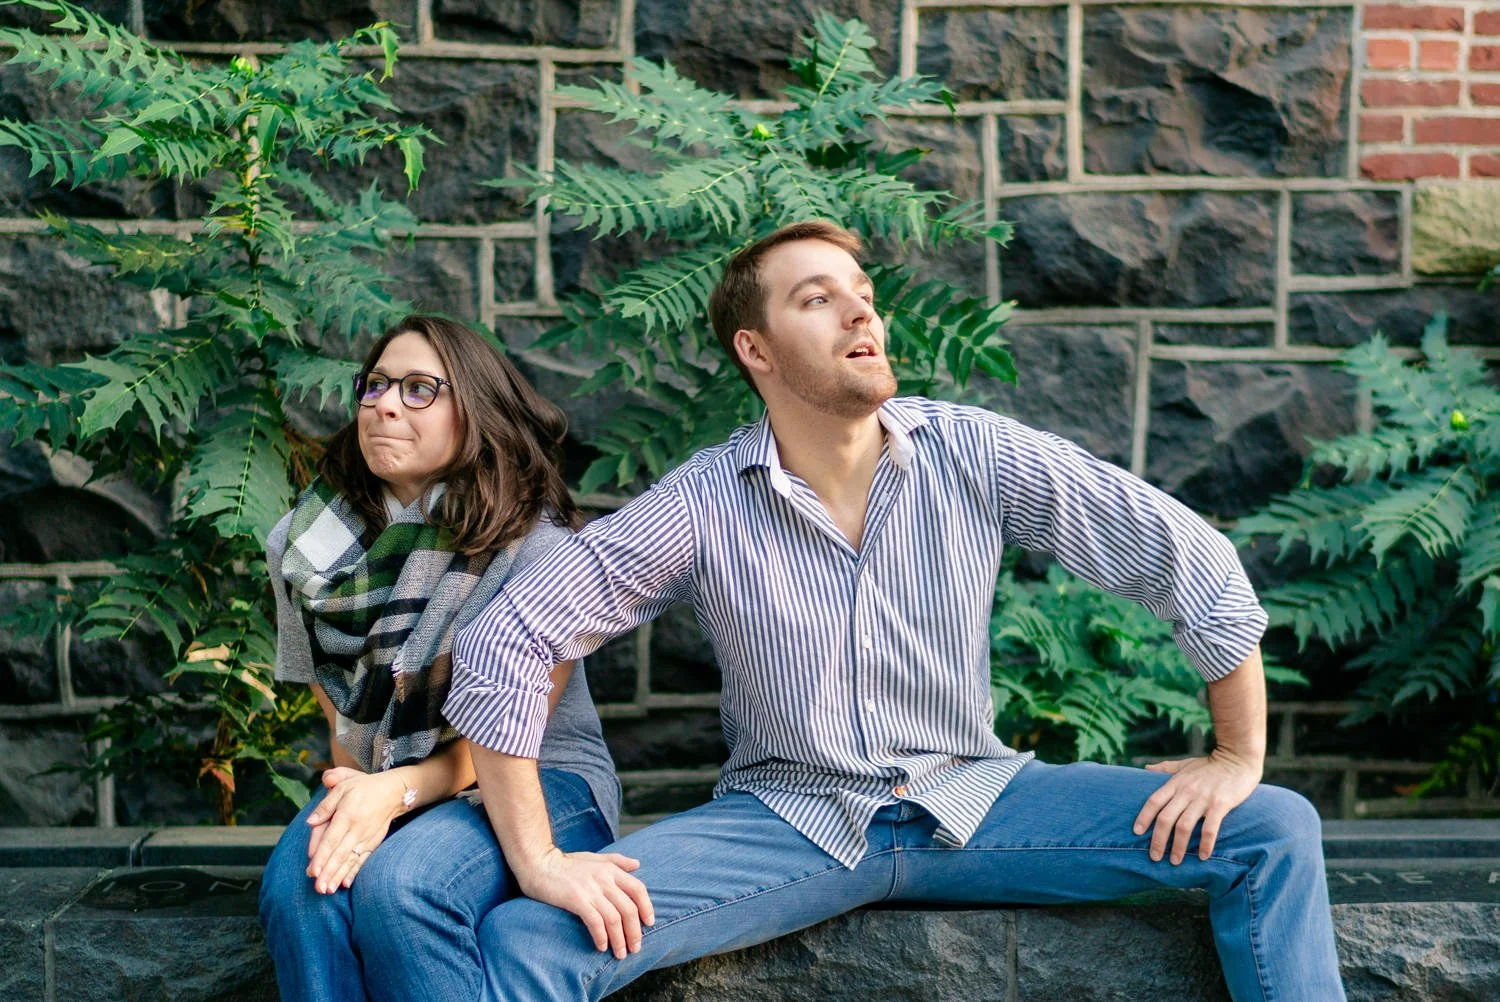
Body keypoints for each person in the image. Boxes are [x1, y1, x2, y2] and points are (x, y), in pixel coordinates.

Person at [442, 222, 1347, 1001]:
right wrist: (541, 860)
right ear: (755, 350)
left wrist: (1237, 756)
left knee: (1272, 827)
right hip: (788, 820)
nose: (860, 312)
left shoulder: (973, 451)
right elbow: (509, 638)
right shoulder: (704, 502)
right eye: (816, 299)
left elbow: (1186, 554)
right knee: (534, 937)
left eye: (862, 294)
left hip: (982, 805)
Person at [257, 315, 622, 1002]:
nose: (386, 405)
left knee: (405, 886)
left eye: (421, 388)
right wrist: (360, 802)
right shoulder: (302, 549)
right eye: (376, 386)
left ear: (475, 411)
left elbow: (512, 736)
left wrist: (388, 798)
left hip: (540, 781)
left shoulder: (539, 546)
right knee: (304, 890)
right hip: (383, 776)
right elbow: (345, 736)